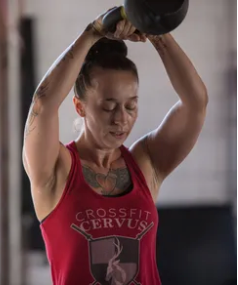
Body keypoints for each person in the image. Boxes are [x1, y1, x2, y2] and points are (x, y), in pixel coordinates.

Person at [22, 7, 208, 285]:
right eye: (108, 106)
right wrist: (92, 33)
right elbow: (42, 104)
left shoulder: (146, 164)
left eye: (131, 106)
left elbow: (196, 103)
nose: (122, 119)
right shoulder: (56, 168)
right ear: (80, 106)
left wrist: (154, 27)